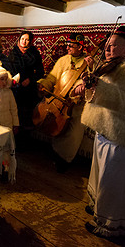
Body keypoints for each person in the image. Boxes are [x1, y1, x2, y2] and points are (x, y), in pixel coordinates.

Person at [71, 26, 125, 238]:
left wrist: (96, 84)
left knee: (113, 180)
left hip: (120, 133)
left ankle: (110, 224)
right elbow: (98, 87)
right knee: (102, 176)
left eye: (114, 45)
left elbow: (123, 100)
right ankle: (99, 208)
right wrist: (85, 84)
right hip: (106, 129)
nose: (108, 49)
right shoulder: (112, 66)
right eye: (107, 45)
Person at [36, 33, 87, 172]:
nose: (68, 48)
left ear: (80, 47)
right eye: (68, 45)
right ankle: (53, 153)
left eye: (72, 46)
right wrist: (44, 84)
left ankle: (64, 159)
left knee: (75, 128)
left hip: (76, 105)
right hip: (58, 100)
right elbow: (52, 78)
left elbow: (88, 86)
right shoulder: (63, 60)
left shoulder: (88, 62)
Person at [8, 31, 44, 143]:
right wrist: (16, 81)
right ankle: (16, 142)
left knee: (28, 115)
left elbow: (40, 72)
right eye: (22, 38)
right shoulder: (13, 53)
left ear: (30, 41)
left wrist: (30, 79)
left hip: (29, 88)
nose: (24, 41)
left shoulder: (34, 53)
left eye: (27, 39)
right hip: (16, 88)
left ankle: (26, 142)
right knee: (16, 114)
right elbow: (9, 70)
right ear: (19, 40)